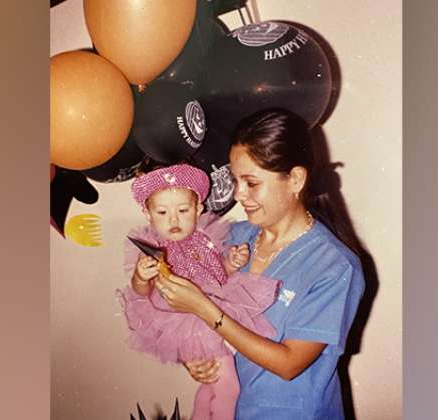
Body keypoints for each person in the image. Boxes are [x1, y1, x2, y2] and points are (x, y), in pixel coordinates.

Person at [153, 109, 366, 419]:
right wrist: (197, 359)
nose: (239, 194)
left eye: (251, 183)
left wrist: (203, 308)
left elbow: (289, 363)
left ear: (294, 179)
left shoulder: (334, 267)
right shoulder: (233, 238)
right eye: (236, 180)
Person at [117, 163, 280, 420]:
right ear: (147, 213)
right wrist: (140, 276)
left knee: (211, 384)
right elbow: (141, 292)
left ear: (198, 209)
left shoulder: (205, 238)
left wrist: (231, 263)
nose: (173, 220)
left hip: (213, 311)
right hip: (188, 322)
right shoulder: (154, 249)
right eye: (162, 212)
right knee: (229, 387)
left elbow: (215, 275)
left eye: (183, 210)